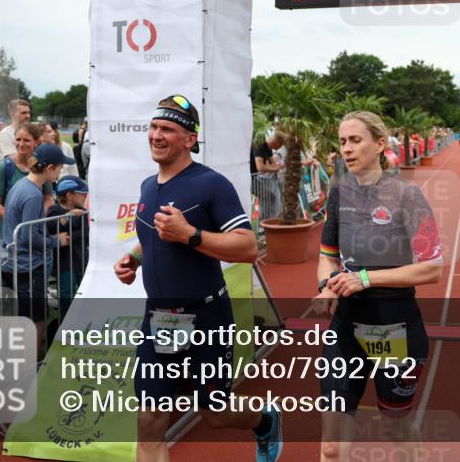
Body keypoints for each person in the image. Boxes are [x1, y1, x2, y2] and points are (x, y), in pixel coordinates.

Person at [113, 94, 281, 462]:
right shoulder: (147, 186)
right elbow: (155, 239)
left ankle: (265, 421)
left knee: (215, 413)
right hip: (160, 318)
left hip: (207, 316)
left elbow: (248, 247)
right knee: (150, 417)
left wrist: (190, 235)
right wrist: (133, 259)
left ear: (190, 139)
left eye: (168, 130)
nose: (157, 136)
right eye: (154, 127)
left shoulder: (211, 184)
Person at [311, 111, 443, 462]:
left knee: (395, 429)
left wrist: (366, 278)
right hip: (345, 330)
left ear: (380, 144)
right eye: (342, 142)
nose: (346, 149)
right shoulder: (338, 194)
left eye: (355, 140)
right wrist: (327, 285)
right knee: (330, 444)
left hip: (394, 328)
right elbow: (326, 256)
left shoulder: (406, 196)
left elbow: (432, 269)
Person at [1, 143, 73, 350]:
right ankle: (30, 362)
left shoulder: (22, 185)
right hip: (28, 264)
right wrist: (55, 241)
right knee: (36, 316)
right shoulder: (33, 194)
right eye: (60, 167)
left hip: (14, 261)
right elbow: (27, 237)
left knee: (22, 315)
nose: (60, 172)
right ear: (50, 168)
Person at [0, 122, 53, 288]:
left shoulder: (40, 167)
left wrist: (35, 220)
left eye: (27, 140)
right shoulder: (2, 168)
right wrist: (19, 224)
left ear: (36, 142)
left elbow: (47, 198)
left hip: (27, 241)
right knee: (0, 290)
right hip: (2, 237)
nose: (21, 144)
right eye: (18, 139)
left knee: (27, 291)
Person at [46, 175, 89, 318]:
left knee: (85, 290)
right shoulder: (54, 211)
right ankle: (65, 322)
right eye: (81, 193)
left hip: (81, 259)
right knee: (66, 293)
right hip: (64, 263)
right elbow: (51, 227)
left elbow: (85, 232)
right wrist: (68, 216)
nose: (85, 196)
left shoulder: (81, 211)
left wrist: (68, 236)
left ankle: (84, 318)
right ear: (69, 195)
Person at [252, 131, 285, 220]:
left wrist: (276, 166)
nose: (280, 148)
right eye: (281, 145)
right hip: (250, 178)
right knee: (267, 196)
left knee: (270, 196)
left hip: (254, 177)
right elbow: (260, 168)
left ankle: (265, 222)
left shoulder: (268, 148)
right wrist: (275, 168)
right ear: (277, 142)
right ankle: (262, 224)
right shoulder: (260, 145)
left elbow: (274, 163)